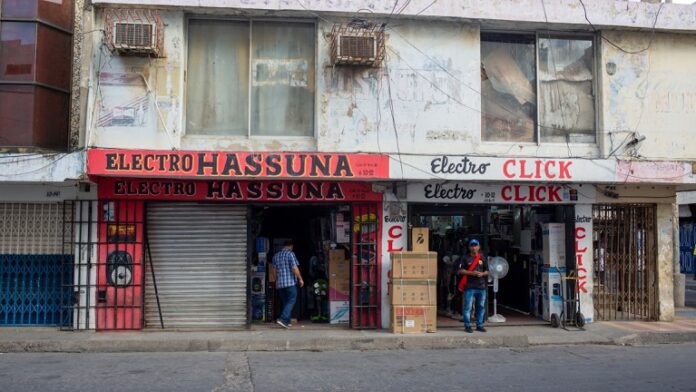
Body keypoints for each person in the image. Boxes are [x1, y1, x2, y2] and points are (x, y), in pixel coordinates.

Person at [457, 239, 489, 333]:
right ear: (469, 247)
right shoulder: (465, 258)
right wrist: (472, 273)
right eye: (472, 245)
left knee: (481, 306)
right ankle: (468, 326)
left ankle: (480, 325)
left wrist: (482, 274)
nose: (474, 247)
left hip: (481, 287)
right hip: (469, 286)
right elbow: (460, 271)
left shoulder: (482, 258)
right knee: (468, 307)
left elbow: (487, 270)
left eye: (475, 245)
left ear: (479, 247)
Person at [272, 240, 304, 329]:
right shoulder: (290, 254)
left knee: (285, 302)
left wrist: (276, 281)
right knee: (291, 300)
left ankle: (287, 321)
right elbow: (294, 268)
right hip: (290, 283)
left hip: (281, 284)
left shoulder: (276, 256)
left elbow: (274, 271)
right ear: (291, 246)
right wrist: (300, 279)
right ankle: (282, 319)